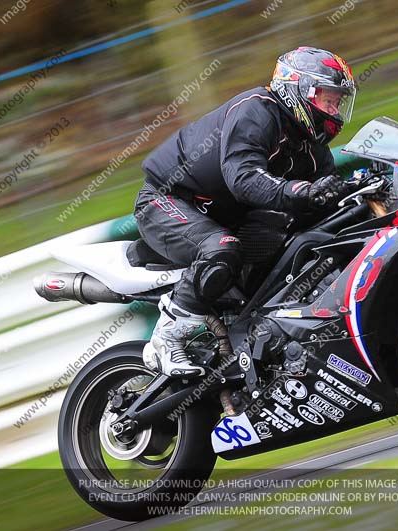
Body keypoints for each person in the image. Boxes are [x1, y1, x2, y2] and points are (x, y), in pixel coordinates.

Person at [134, 46, 357, 377]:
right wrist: (295, 190)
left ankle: (256, 332)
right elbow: (243, 177)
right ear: (299, 89)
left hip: (224, 217)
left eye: (338, 102)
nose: (334, 110)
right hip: (167, 199)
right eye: (328, 99)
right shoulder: (256, 111)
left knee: (297, 242)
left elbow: (327, 195)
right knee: (221, 247)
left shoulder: (313, 150)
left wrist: (354, 192)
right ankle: (165, 339)